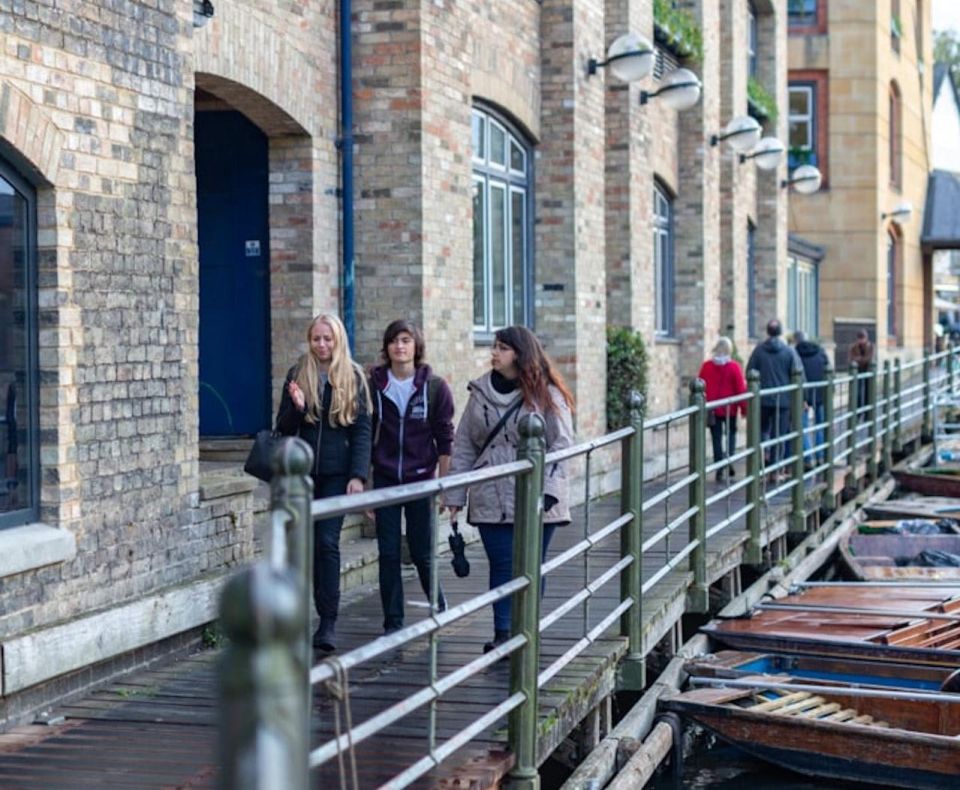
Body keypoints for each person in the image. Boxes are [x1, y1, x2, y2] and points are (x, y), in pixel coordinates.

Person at [441, 326, 575, 654]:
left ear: (520, 353)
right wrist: (455, 495)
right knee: (501, 563)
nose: (494, 353)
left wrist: (549, 491)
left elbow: (562, 444)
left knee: (530, 564)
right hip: (490, 493)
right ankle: (503, 633)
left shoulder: (547, 394)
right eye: (494, 346)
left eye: (502, 348)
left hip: (537, 497)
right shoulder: (480, 393)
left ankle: (525, 628)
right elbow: (465, 445)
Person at [276, 313, 372, 653]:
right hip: (301, 476)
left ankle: (328, 620)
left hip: (336, 474)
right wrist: (298, 408)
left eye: (327, 339)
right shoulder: (297, 374)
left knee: (327, 542)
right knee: (302, 546)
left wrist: (358, 476)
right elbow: (283, 428)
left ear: (338, 340)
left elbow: (362, 431)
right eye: (316, 338)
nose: (321, 345)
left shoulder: (354, 376)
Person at [369, 320, 455, 634]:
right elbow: (365, 436)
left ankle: (438, 606)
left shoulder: (435, 387)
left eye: (406, 340)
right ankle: (393, 622)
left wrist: (444, 485)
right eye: (394, 341)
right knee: (388, 553)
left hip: (422, 480)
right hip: (385, 478)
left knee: (422, 552)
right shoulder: (374, 385)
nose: (400, 346)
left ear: (416, 346)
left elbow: (445, 440)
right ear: (386, 347)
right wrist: (366, 484)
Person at [746, 319, 804, 480]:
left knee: (761, 432)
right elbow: (798, 374)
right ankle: (775, 471)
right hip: (783, 401)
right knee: (779, 435)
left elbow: (749, 371)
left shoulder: (758, 351)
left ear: (767, 331)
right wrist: (801, 399)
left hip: (762, 399)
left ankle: (760, 466)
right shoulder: (789, 352)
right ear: (780, 332)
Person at [697, 337, 746, 483]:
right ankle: (729, 458)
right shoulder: (734, 367)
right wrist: (744, 409)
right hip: (730, 408)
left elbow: (700, 386)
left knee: (716, 438)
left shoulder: (706, 366)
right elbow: (740, 390)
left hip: (713, 409)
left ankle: (719, 467)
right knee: (731, 434)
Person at [793, 331, 829, 468]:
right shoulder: (820, 352)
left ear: (796, 341)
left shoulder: (795, 354)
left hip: (803, 395)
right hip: (821, 393)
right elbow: (828, 370)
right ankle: (820, 456)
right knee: (820, 426)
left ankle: (808, 458)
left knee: (803, 427)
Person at [848, 329, 874, 419]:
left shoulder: (871, 346)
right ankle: (858, 414)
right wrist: (861, 359)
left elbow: (869, 358)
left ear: (866, 338)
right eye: (860, 338)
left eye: (863, 338)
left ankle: (867, 414)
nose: (861, 340)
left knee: (868, 392)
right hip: (857, 371)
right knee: (857, 393)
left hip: (868, 371)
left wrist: (859, 359)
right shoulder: (853, 347)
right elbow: (851, 359)